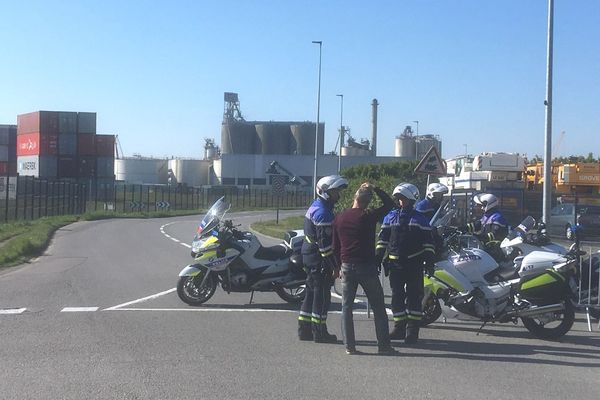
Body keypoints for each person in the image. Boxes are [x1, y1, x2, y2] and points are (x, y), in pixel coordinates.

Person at [332, 183, 397, 355]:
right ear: (367, 203)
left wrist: (336, 266)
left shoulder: (340, 217)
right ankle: (383, 346)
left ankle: (349, 346)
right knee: (378, 307)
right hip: (366, 267)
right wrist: (376, 188)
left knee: (346, 307)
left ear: (355, 198)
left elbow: (335, 245)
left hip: (346, 266)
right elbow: (390, 204)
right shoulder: (367, 216)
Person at [298, 174, 348, 343]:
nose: (338, 196)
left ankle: (304, 330)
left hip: (309, 255)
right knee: (322, 296)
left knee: (311, 293)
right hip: (318, 259)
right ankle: (319, 332)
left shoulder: (315, 207)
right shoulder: (324, 213)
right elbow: (325, 246)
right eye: (335, 192)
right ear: (325, 192)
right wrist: (334, 266)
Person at [385, 183, 435, 344]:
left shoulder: (420, 219)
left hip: (414, 264)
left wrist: (430, 262)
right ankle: (399, 329)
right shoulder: (391, 217)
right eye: (398, 198)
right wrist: (380, 257)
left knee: (414, 298)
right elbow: (383, 239)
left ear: (411, 200)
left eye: (403, 198)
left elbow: (429, 243)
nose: (400, 201)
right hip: (395, 265)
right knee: (397, 297)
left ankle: (412, 332)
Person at [464, 193, 509, 260]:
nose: (481, 207)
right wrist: (462, 228)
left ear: (488, 204)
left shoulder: (497, 217)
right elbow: (476, 225)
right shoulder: (487, 216)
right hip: (486, 248)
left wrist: (478, 237)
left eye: (483, 205)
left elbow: (494, 235)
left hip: (495, 251)